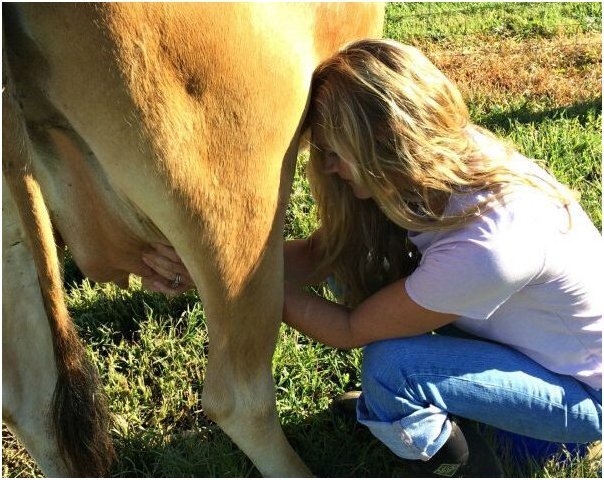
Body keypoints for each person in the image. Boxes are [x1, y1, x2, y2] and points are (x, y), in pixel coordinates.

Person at [141, 39, 602, 477]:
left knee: (394, 371)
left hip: (583, 392)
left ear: (383, 143)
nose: (327, 168)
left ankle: (461, 469)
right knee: (354, 271)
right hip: (525, 340)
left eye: (335, 153)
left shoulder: (490, 246)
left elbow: (350, 331)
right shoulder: (439, 165)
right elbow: (326, 255)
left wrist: (239, 284)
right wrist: (205, 264)